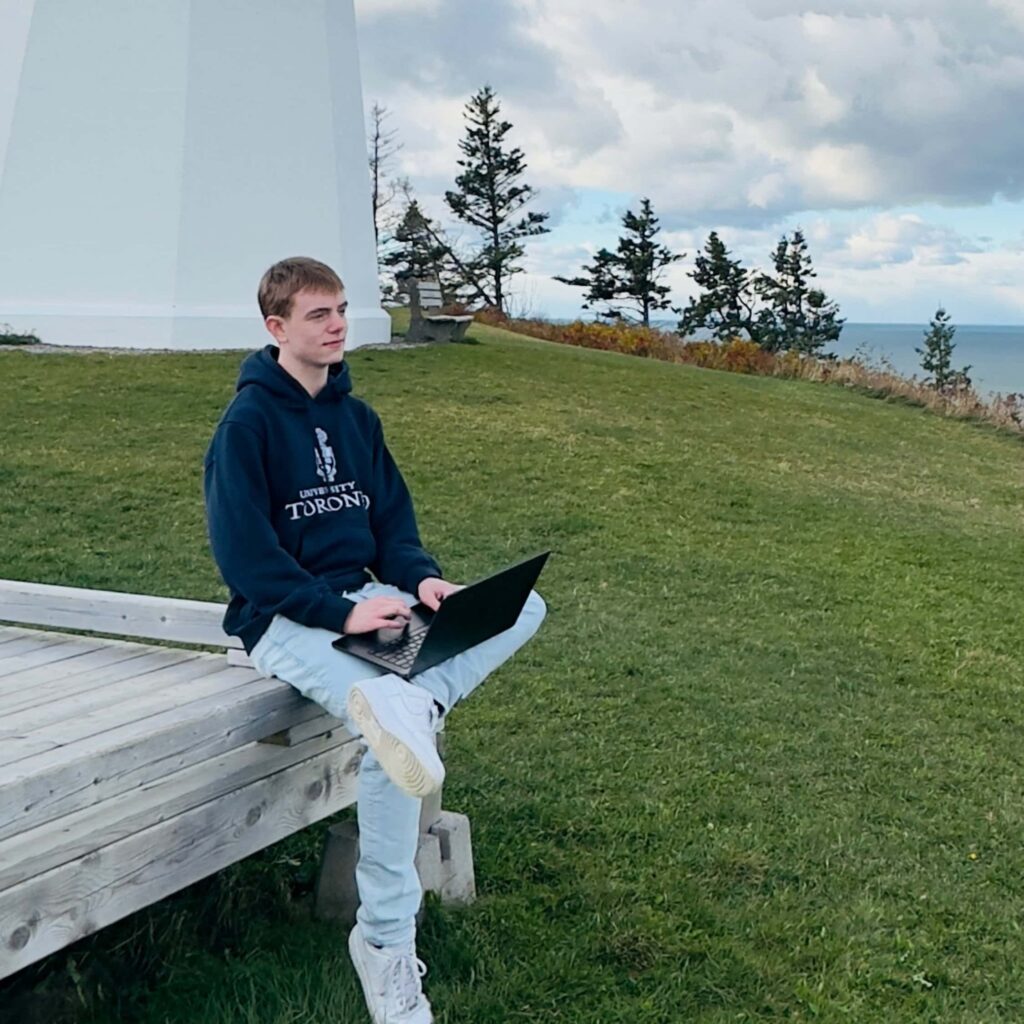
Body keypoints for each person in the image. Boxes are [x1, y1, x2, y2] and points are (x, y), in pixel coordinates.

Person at [203, 256, 546, 1024]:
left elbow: (391, 521)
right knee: (388, 722)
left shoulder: (357, 418)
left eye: (343, 310)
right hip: (285, 620)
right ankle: (385, 944)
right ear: (276, 327)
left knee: (522, 608)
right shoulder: (247, 424)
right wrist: (340, 615)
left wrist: (421, 581)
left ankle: (412, 703)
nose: (338, 326)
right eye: (319, 314)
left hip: (372, 598)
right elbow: (247, 559)